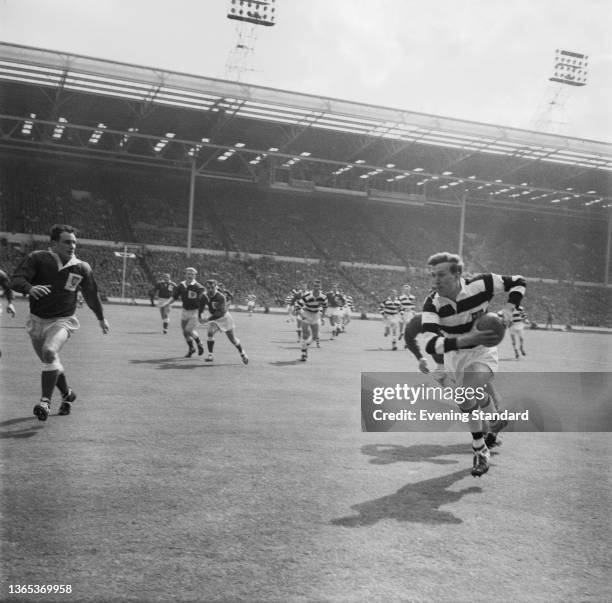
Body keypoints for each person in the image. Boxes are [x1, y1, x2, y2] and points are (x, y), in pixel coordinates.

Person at [422, 252, 526, 477]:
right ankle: (493, 422)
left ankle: (479, 450)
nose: (435, 280)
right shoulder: (432, 303)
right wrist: (467, 339)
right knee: (468, 397)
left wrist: (508, 309)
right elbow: (430, 344)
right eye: (433, 276)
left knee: (468, 389)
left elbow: (518, 281)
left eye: (441, 275)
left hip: (483, 354)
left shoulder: (482, 284)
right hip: (455, 359)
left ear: (457, 274)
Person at [10, 224, 109, 420]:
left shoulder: (81, 267)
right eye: (67, 242)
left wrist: (101, 318)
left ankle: (44, 402)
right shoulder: (38, 258)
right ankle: (67, 394)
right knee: (50, 361)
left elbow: (91, 296)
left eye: (74, 242)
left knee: (49, 352)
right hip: (37, 320)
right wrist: (29, 288)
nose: (72, 245)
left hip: (63, 320)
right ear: (54, 243)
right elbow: (16, 280)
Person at [405, 311, 504, 448]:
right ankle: (486, 435)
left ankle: (492, 431)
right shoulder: (422, 320)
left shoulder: (463, 314)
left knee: (485, 395)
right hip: (445, 369)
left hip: (469, 361)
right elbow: (408, 335)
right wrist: (420, 358)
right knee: (466, 401)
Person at [198, 279, 248, 364]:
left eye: (212, 287)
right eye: (208, 288)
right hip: (214, 319)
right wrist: (200, 316)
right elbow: (201, 307)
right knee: (210, 332)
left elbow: (220, 313)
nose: (210, 289)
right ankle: (210, 355)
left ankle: (243, 354)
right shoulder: (205, 296)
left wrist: (207, 319)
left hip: (224, 318)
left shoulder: (221, 297)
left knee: (232, 339)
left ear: (216, 287)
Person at [159, 267, 205, 357]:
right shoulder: (181, 285)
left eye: (192, 274)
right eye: (188, 273)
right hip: (185, 311)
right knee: (185, 332)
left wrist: (201, 313)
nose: (190, 275)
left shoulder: (199, 287)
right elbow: (174, 297)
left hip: (194, 312)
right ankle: (191, 348)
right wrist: (166, 303)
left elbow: (203, 301)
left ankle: (200, 344)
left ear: (195, 275)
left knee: (189, 330)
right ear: (185, 274)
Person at [295, 279, 327, 361]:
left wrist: (322, 317)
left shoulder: (323, 296)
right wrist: (302, 316)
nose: (316, 287)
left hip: (316, 315)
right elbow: (297, 306)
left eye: (318, 286)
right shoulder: (307, 295)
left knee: (315, 336)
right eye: (315, 286)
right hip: (306, 314)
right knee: (305, 335)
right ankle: (303, 353)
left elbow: (325, 307)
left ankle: (305, 346)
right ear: (313, 287)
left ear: (320, 287)